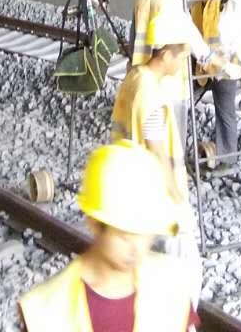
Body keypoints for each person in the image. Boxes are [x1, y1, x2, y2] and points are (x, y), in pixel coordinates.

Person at [18, 141, 198, 331]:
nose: (136, 247)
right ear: (95, 224)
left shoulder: (171, 286)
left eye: (145, 233)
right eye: (125, 235)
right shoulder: (48, 309)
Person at [111, 5, 202, 304]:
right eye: (181, 56)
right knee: (178, 260)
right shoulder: (150, 92)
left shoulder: (135, 77)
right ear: (166, 55)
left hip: (131, 182)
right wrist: (175, 192)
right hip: (154, 190)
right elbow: (156, 147)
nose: (182, 63)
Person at [130, 0, 219, 146]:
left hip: (145, 82)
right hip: (172, 86)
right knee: (172, 143)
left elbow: (133, 41)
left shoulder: (142, 0)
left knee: (149, 141)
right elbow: (193, 40)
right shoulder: (174, 3)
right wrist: (212, 60)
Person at [189, 0, 241, 177]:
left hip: (223, 71)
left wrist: (228, 65)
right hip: (203, 69)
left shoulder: (223, 6)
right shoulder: (195, 6)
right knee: (184, 103)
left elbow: (232, 40)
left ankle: (228, 160)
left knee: (225, 113)